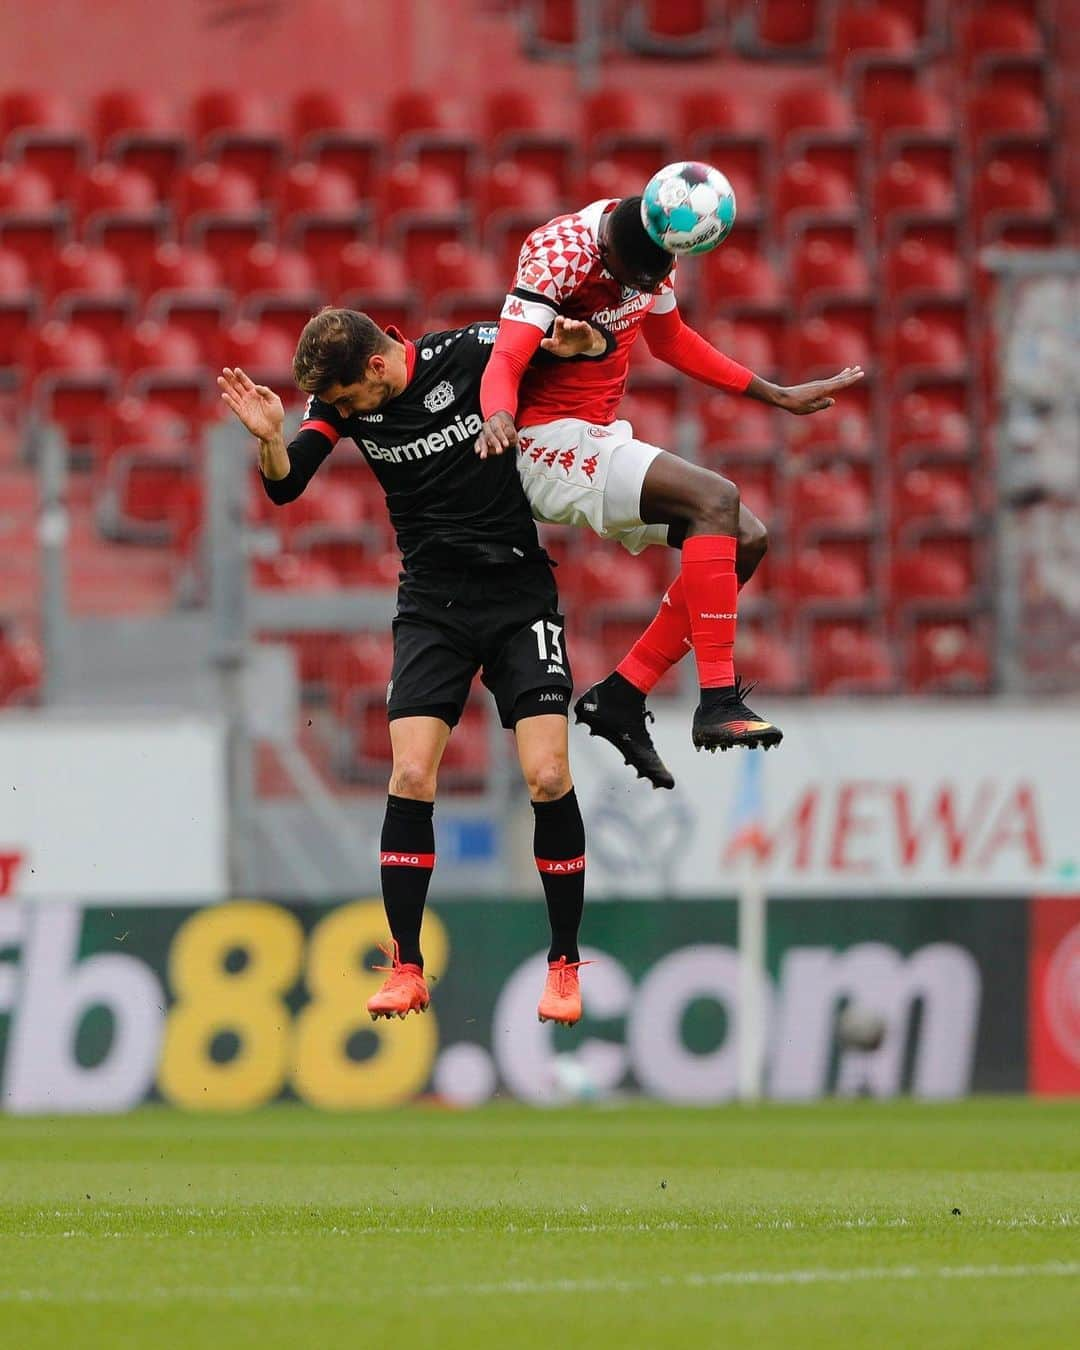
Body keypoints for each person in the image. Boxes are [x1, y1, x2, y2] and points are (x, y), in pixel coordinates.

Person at [217, 308, 615, 1026]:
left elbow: (576, 349)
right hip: (432, 605)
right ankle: (405, 966)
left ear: (375, 367)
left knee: (548, 774)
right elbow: (286, 485)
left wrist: (589, 341)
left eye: (343, 401)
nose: (338, 413)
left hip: (518, 594)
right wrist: (273, 441)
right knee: (408, 775)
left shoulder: (474, 353)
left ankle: (562, 964)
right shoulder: (338, 404)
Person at [476, 192, 865, 788]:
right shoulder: (557, 253)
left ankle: (623, 694)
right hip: (537, 441)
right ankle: (717, 699)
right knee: (716, 499)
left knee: (746, 539)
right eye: (634, 280)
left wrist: (777, 394)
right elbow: (504, 357)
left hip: (593, 435)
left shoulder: (660, 235)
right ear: (606, 251)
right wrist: (498, 415)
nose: (644, 287)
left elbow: (671, 339)